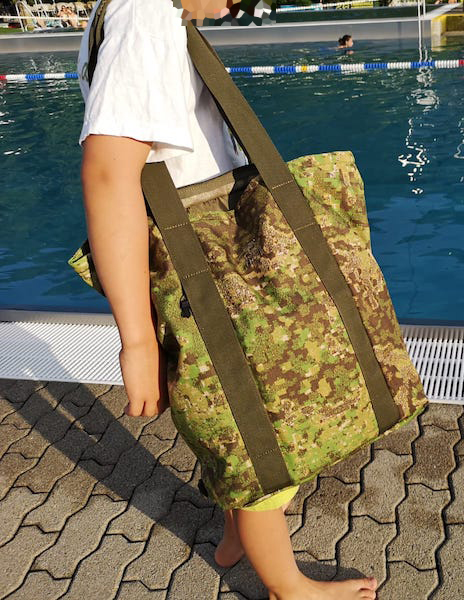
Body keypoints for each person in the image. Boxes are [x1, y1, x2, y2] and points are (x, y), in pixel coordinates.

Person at [77, 1, 378, 599]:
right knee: (262, 432)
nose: (236, 9)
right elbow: (108, 173)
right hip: (208, 268)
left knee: (239, 413)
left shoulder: (141, 10)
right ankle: (289, 587)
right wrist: (137, 341)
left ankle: (238, 532)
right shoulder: (146, 13)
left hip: (206, 261)